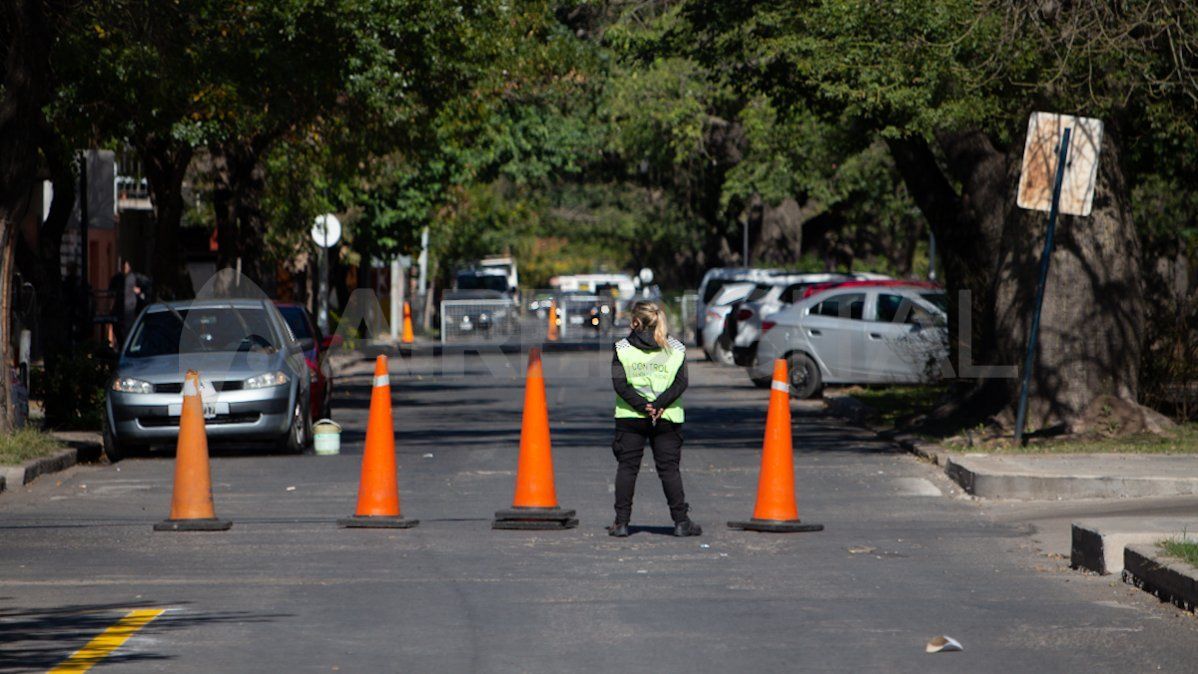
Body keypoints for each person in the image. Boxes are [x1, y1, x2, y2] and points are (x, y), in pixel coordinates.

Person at [608, 301, 701, 537]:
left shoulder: (622, 349)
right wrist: (658, 405)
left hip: (631, 417)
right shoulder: (676, 349)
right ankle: (681, 522)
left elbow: (620, 384)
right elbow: (682, 383)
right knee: (669, 470)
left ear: (635, 322)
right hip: (667, 416)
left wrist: (643, 406)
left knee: (627, 468)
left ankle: (621, 523)